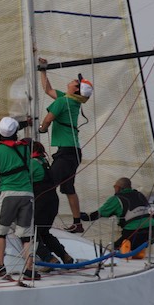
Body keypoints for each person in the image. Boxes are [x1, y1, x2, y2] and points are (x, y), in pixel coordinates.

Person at [38, 57, 93, 233]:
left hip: (67, 152)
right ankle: (77, 223)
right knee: (68, 188)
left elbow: (48, 119)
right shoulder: (70, 100)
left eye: (76, 82)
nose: (73, 80)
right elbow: (48, 89)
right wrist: (43, 70)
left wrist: (41, 129)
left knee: (48, 185)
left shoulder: (63, 102)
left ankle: (44, 220)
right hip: (73, 152)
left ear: (76, 89)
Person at [0, 117, 38, 280]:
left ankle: (1, 266)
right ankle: (29, 269)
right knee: (26, 235)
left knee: (1, 232)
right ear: (15, 132)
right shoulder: (25, 148)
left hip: (8, 194)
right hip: (27, 194)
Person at [81, 177, 154, 258]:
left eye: (114, 187)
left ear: (119, 187)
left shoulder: (116, 199)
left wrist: (82, 217)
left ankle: (128, 257)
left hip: (134, 232)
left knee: (115, 249)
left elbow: (100, 213)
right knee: (136, 244)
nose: (114, 188)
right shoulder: (140, 195)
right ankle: (137, 254)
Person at [30, 141, 73, 266]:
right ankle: (65, 256)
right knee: (43, 232)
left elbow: (21, 180)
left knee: (29, 233)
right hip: (52, 201)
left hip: (41, 202)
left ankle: (48, 259)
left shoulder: (32, 163)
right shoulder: (44, 162)